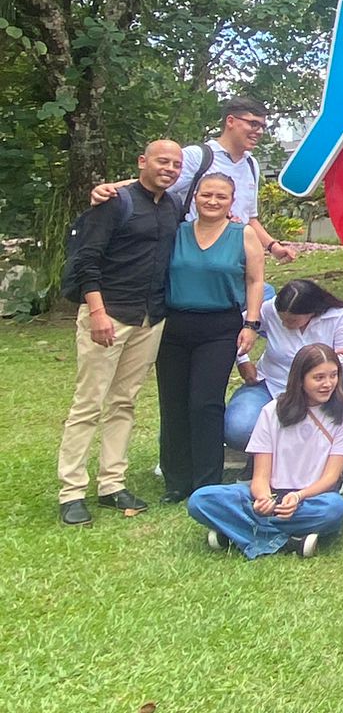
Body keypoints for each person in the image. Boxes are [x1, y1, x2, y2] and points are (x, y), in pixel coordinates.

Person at [57, 139, 183, 525]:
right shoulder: (114, 202)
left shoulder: (173, 205)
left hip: (150, 318)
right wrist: (96, 312)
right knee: (88, 403)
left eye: (176, 164)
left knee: (124, 402)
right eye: (163, 161)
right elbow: (86, 260)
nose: (170, 168)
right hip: (109, 314)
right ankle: (71, 491)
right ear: (142, 161)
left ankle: (112, 482)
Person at [186, 344, 343, 557]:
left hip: (310, 498)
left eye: (333, 376)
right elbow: (260, 475)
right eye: (319, 378)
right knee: (201, 499)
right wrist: (262, 499)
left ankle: (240, 532)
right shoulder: (272, 411)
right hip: (272, 494)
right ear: (300, 379)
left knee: (334, 508)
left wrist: (298, 497)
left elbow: (331, 477)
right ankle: (288, 541)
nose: (328, 384)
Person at [156, 172, 265, 503]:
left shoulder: (242, 234)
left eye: (221, 196)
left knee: (205, 403)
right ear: (195, 198)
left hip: (219, 327)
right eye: (206, 195)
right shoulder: (177, 232)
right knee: (173, 404)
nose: (213, 201)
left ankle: (206, 481)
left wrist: (252, 323)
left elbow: (255, 281)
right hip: (174, 326)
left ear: (232, 202)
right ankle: (176, 481)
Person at [91, 96, 297, 263]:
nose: (259, 131)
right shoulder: (198, 156)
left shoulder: (251, 165)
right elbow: (152, 183)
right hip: (195, 256)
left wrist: (273, 246)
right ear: (231, 121)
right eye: (253, 124)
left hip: (234, 258)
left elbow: (249, 217)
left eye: (262, 126)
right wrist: (109, 189)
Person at [223, 279, 343, 451]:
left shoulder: (338, 316)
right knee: (239, 430)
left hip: (322, 387)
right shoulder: (269, 309)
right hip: (272, 383)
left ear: (312, 312)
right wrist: (243, 361)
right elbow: (234, 329)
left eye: (292, 321)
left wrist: (316, 375)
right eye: (282, 319)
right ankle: (271, 451)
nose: (285, 324)